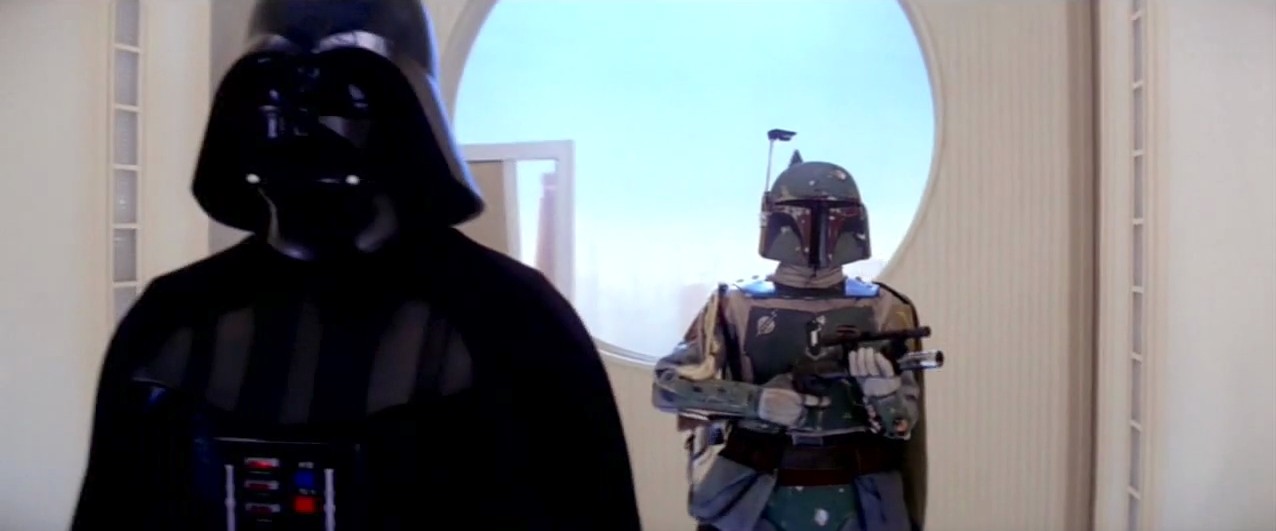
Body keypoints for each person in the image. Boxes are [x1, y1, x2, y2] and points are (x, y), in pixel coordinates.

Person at [71, 1, 640, 529]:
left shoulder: (512, 315)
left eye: (344, 93)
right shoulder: (174, 317)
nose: (302, 126)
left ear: (406, 115)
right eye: (276, 92)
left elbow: (591, 508)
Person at [652, 150, 932, 531]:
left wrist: (884, 397)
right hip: (756, 497)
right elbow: (669, 387)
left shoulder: (886, 309)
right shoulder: (735, 305)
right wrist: (756, 402)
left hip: (860, 500)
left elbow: (902, 427)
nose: (819, 229)